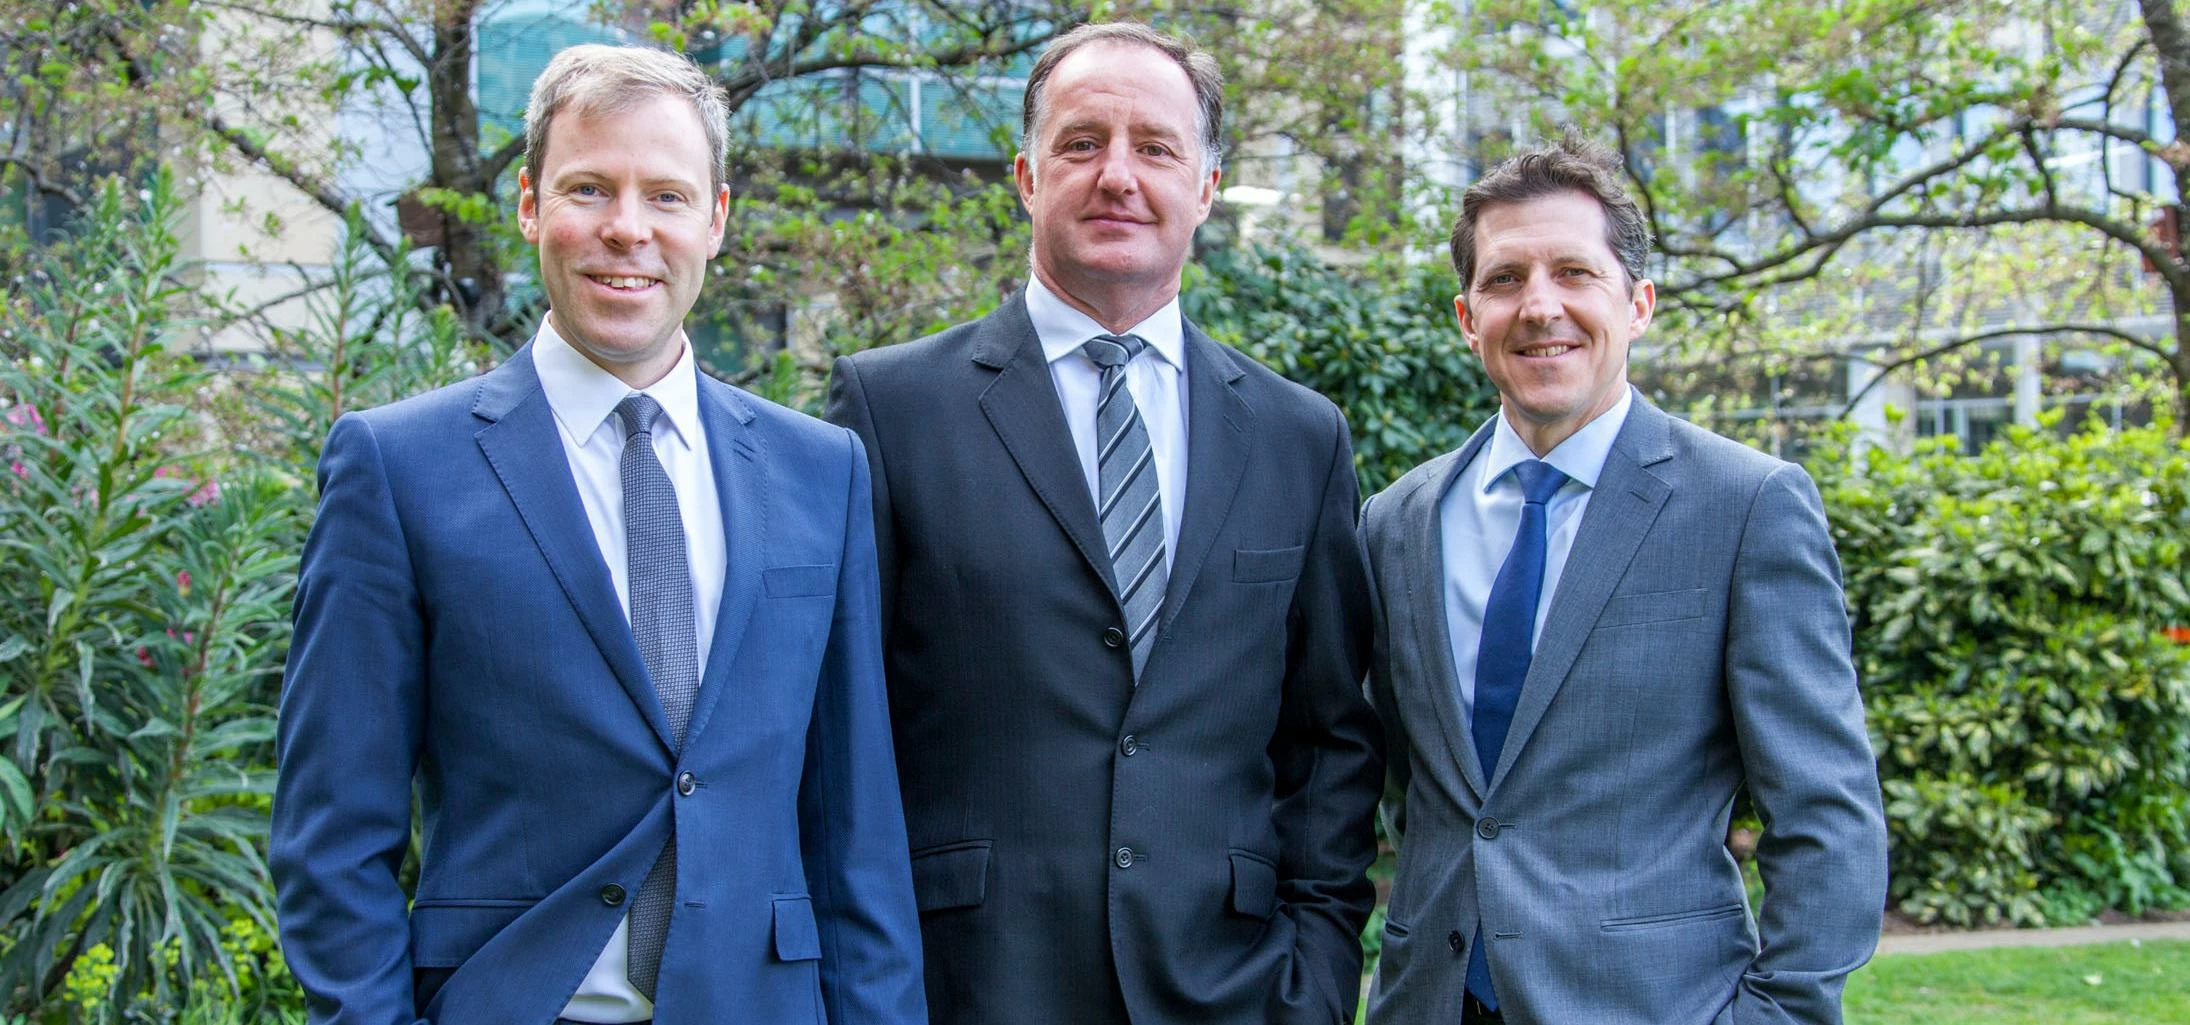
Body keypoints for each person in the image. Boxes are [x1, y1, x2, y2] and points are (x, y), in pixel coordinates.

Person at [270, 43, 924, 1025]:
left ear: (716, 220)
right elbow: (333, 836)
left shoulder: (818, 472)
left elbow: (855, 830)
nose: (627, 230)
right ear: (531, 205)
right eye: (590, 188)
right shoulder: (399, 468)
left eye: (665, 196)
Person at [824, 21, 1382, 1025]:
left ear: (1206, 189)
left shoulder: (1301, 437)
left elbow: (1330, 739)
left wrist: (1317, 980)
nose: (1117, 175)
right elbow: (841, 730)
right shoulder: (889, 411)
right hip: (969, 983)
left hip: (1235, 989)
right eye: (1082, 144)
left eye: (1156, 148)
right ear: (1027, 176)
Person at [1361, 135, 1887, 1025]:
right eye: (1504, 279)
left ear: (1637, 303)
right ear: (1465, 314)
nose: (1539, 307)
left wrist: (1776, 1015)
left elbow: (1829, 817)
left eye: (1574, 272)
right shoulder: (1396, 523)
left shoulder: (1747, 506)